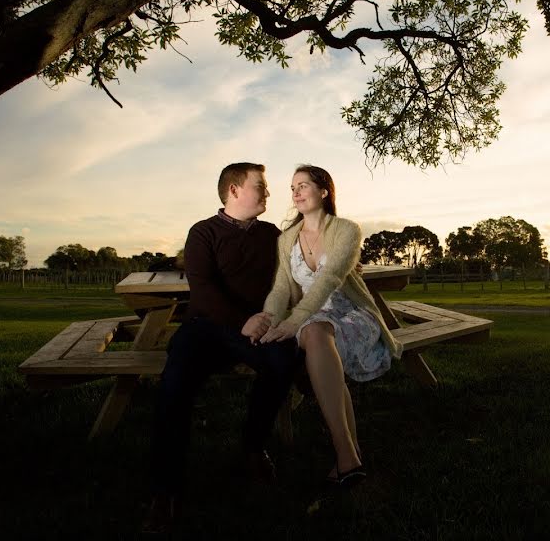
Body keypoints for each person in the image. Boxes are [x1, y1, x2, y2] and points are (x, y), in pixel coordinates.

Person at [143, 162, 302, 534]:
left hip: (256, 328)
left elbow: (295, 271)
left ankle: (252, 448)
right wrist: (240, 321)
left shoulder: (271, 235)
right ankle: (164, 491)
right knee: (174, 383)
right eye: (259, 186)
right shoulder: (203, 232)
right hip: (205, 329)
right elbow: (201, 288)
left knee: (283, 359)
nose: (267, 192)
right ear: (234, 190)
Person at [256, 165, 403, 489]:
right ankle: (350, 457)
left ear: (324, 192)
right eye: (292, 186)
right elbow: (282, 289)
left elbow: (328, 281)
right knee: (316, 332)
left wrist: (294, 322)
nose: (295, 192)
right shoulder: (287, 240)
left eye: (303, 185)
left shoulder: (347, 231)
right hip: (312, 319)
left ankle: (346, 456)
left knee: (314, 330)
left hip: (351, 313)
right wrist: (268, 318)